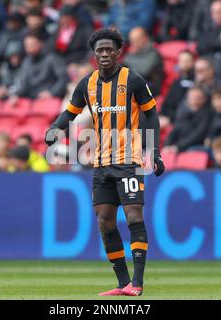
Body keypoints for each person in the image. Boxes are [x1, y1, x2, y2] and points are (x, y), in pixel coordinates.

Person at [44, 29, 165, 296]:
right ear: (94, 54)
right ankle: (123, 283)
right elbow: (71, 112)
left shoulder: (133, 80)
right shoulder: (87, 84)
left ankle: (138, 282)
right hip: (101, 162)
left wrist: (154, 151)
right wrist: (55, 128)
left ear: (118, 52)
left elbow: (151, 115)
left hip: (129, 160)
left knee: (134, 216)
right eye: (100, 50)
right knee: (104, 221)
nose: (105, 54)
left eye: (109, 49)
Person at [9, 32, 68, 100]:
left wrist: (51, 93)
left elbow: (64, 78)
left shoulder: (52, 59)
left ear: (41, 43)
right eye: (26, 46)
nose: (29, 48)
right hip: (32, 101)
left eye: (32, 44)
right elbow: (23, 86)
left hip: (51, 100)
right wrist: (15, 95)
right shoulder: (26, 62)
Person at [164, 86, 211, 152]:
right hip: (179, 145)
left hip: (194, 146)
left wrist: (178, 147)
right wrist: (167, 145)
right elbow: (175, 130)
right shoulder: (182, 111)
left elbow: (197, 135)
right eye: (192, 97)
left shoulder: (207, 114)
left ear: (204, 99)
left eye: (198, 98)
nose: (195, 100)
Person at [123, 27, 164, 96]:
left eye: (136, 40)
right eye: (132, 41)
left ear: (145, 38)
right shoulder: (134, 52)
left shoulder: (154, 53)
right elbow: (124, 63)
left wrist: (129, 67)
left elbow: (144, 71)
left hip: (149, 89)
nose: (133, 44)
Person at [160, 50, 195, 127]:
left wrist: (169, 119)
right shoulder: (177, 81)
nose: (184, 64)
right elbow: (167, 102)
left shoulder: (194, 82)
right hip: (167, 116)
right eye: (181, 61)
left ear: (193, 62)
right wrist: (161, 115)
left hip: (179, 120)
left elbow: (186, 107)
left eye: (187, 61)